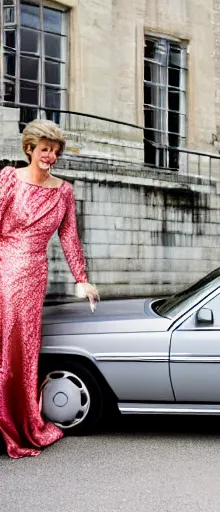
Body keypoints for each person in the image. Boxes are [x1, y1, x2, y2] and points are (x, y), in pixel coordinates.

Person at [0, 119, 99, 458]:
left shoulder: (64, 191)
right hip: (2, 269)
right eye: (45, 149)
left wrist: (82, 279)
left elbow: (69, 236)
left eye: (55, 152)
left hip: (33, 274)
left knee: (22, 349)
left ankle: (16, 420)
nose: (50, 156)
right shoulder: (9, 179)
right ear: (30, 149)